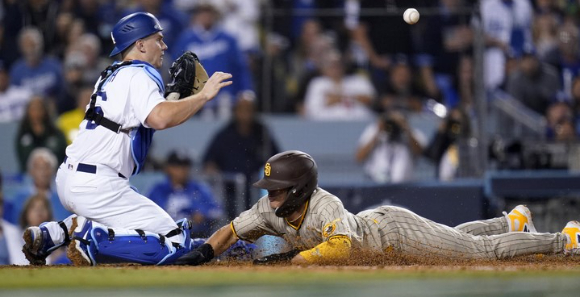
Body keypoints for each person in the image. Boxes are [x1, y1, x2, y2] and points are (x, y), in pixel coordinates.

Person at [20, 11, 233, 267]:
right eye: (158, 39)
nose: (164, 45)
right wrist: (203, 96)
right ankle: (92, 238)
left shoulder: (112, 73)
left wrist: (175, 95)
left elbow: (149, 118)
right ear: (140, 44)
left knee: (127, 224)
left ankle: (53, 234)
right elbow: (160, 118)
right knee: (177, 242)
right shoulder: (141, 74)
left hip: (73, 177)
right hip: (98, 184)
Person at [175, 150, 580, 266]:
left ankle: (565, 239)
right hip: (380, 230)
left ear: (299, 190)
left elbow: (341, 249)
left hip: (394, 233)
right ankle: (508, 222)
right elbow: (232, 227)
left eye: (279, 190)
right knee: (457, 239)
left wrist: (287, 262)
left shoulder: (325, 205)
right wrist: (205, 252)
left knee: (481, 254)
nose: (271, 196)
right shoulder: (269, 208)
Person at [203, 91, 280, 217]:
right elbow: (209, 162)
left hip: (257, 188)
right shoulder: (225, 134)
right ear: (235, 111)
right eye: (242, 109)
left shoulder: (262, 132)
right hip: (230, 190)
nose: (245, 114)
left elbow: (276, 159)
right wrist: (213, 171)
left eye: (249, 110)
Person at [148, 150, 223, 238]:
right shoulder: (158, 190)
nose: (182, 170)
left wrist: (203, 215)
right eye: (177, 166)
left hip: (196, 238)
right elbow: (147, 213)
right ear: (168, 168)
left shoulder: (199, 188)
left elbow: (217, 211)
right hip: (166, 238)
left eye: (185, 165)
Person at [355, 110, 426, 184]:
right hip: (375, 183)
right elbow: (359, 157)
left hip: (405, 184)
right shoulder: (373, 131)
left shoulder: (413, 133)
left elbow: (420, 152)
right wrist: (378, 131)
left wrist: (406, 129)